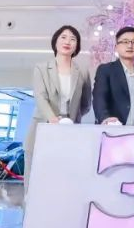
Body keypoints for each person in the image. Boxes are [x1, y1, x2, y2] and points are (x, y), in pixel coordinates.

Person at [27, 25, 92, 179]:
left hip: (70, 131)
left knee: (63, 178)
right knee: (35, 179)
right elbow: (40, 96)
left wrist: (72, 117)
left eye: (73, 39)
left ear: (77, 46)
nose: (67, 41)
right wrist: (53, 119)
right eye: (63, 37)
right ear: (55, 41)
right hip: (42, 128)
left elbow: (86, 103)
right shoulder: (41, 68)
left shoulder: (82, 72)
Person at [93, 26, 134, 126]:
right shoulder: (106, 70)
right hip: (112, 128)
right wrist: (105, 118)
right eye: (125, 41)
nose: (130, 45)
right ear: (116, 47)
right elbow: (99, 99)